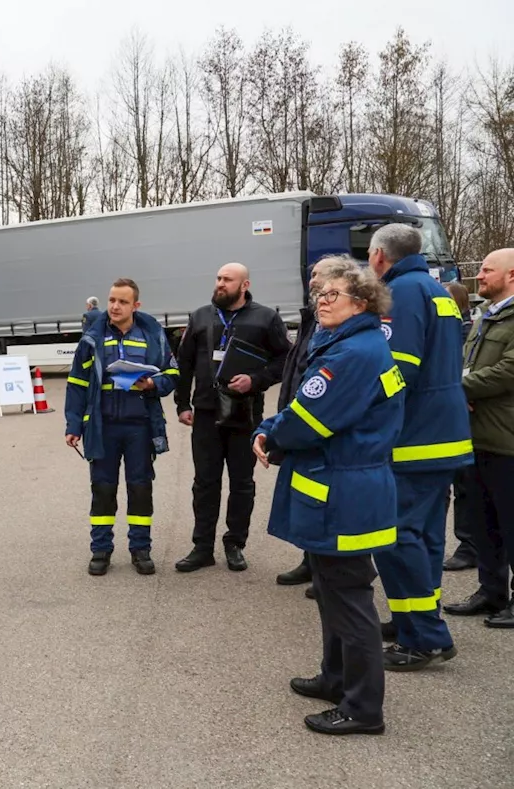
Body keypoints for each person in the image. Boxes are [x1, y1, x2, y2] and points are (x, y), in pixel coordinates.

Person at [252, 257, 405, 736]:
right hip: (342, 485)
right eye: (320, 294)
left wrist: (269, 436)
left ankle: (362, 709)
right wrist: (275, 430)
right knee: (333, 595)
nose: (321, 301)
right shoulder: (352, 342)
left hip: (345, 491)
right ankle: (335, 678)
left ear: (360, 302)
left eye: (332, 295)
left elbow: (308, 418)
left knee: (349, 601)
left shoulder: (352, 354)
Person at [363, 224, 472, 670]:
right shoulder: (436, 288)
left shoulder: (402, 293)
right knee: (423, 536)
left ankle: (426, 636)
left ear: (379, 257)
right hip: (442, 434)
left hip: (414, 439)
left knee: (397, 536)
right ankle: (411, 619)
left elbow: (400, 370)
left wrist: (357, 403)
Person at [173, 262, 291, 573]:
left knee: (242, 483)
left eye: (227, 280)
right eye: (218, 278)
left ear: (244, 285)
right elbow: (184, 365)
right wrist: (182, 403)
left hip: (244, 413)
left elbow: (285, 359)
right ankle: (202, 547)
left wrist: (256, 379)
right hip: (206, 413)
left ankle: (235, 543)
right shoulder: (200, 316)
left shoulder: (266, 318)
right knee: (205, 482)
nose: (220, 284)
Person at [65, 278, 179, 576]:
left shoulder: (152, 335)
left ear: (136, 305)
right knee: (102, 488)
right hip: (103, 426)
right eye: (112, 300)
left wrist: (154, 382)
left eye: (122, 301)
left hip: (140, 427)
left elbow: (173, 373)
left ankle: (140, 549)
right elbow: (76, 383)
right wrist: (73, 424)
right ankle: (100, 550)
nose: (115, 306)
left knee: (140, 488)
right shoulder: (93, 338)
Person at [444, 248, 514, 629]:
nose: (479, 276)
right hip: (478, 435)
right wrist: (464, 389)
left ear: (512, 275)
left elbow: (508, 371)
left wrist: (459, 388)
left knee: (511, 520)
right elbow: (469, 364)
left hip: (507, 439)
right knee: (484, 521)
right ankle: (491, 591)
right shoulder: (487, 315)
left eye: (487, 270)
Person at [274, 256, 344, 592]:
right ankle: (310, 561)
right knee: (305, 495)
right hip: (301, 414)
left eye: (317, 275)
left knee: (322, 500)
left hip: (319, 422)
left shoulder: (338, 326)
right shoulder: (311, 318)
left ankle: (326, 569)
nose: (311, 280)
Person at [442, 280, 479, 571]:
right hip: (452, 415)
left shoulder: (467, 333)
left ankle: (469, 545)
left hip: (469, 417)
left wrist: (458, 391)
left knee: (466, 485)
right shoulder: (450, 332)